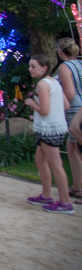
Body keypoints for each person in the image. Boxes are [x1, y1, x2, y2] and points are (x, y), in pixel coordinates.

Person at [24, 54, 74, 214]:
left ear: (44, 68)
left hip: (49, 129)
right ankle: (46, 196)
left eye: (33, 66)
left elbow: (44, 110)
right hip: (55, 127)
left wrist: (33, 103)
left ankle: (65, 203)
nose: (30, 69)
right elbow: (65, 105)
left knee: (56, 165)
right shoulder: (54, 82)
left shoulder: (43, 84)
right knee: (40, 159)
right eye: (30, 66)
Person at [55, 37, 82, 203]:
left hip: (74, 109)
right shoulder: (79, 64)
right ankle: (77, 186)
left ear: (59, 51)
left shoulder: (65, 67)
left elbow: (70, 94)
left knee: (78, 149)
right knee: (72, 147)